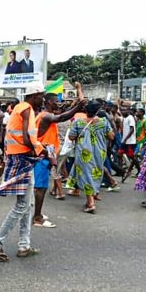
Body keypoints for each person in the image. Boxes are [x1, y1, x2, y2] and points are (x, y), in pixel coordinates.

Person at [0, 82, 46, 262]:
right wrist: (41, 151)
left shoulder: (19, 108)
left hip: (19, 158)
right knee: (22, 205)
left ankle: (24, 245)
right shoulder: (27, 109)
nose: (42, 99)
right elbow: (28, 138)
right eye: (41, 95)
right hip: (22, 159)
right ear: (34, 95)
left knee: (26, 205)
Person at [32, 86, 84, 227]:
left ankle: (37, 213)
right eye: (56, 101)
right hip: (42, 155)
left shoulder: (44, 115)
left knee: (40, 186)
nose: (58, 103)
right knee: (41, 187)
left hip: (45, 154)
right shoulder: (46, 116)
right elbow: (61, 117)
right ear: (49, 102)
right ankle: (37, 217)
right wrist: (78, 107)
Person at [67, 99, 115, 213]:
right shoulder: (103, 122)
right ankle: (93, 196)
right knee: (96, 173)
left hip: (84, 153)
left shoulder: (78, 122)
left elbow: (71, 137)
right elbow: (111, 136)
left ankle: (90, 202)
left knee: (87, 175)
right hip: (99, 152)